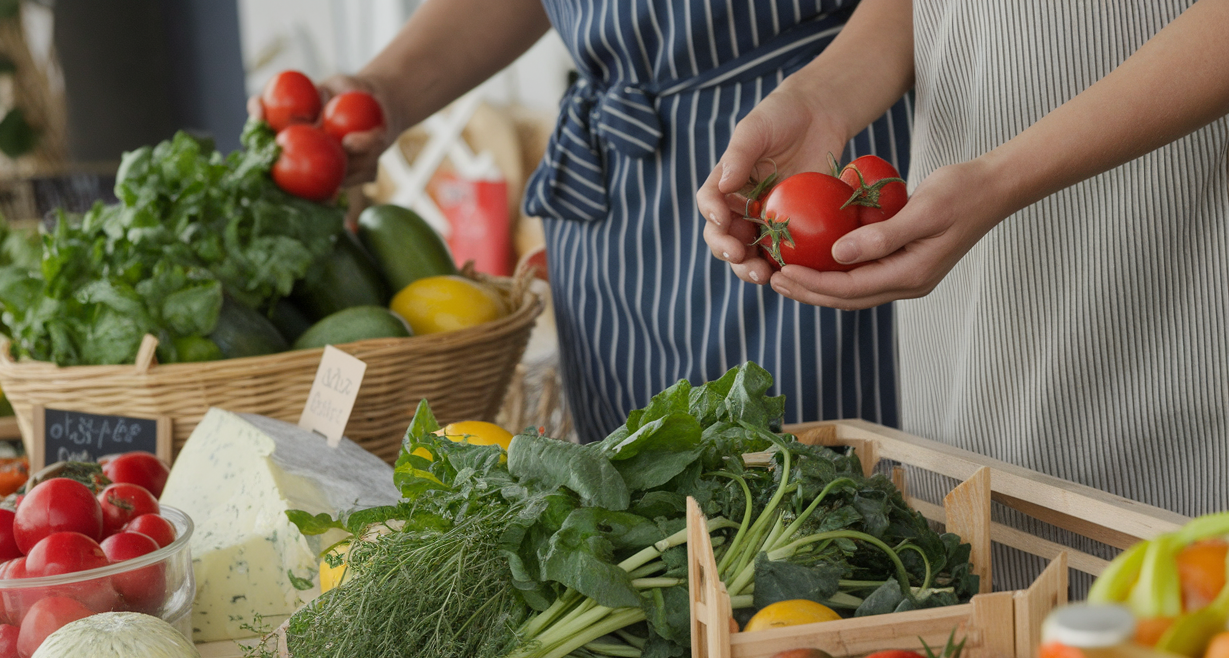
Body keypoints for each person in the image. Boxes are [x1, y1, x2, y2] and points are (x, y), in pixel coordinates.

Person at [699, 0, 1229, 584]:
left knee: (1162, 614)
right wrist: (817, 97)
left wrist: (1001, 179)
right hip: (963, 273)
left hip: (1156, 245)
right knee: (984, 583)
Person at [254, 0, 913, 443]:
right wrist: (385, 92)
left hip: (799, 155)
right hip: (610, 195)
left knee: (820, 518)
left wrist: (823, 100)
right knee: (633, 539)